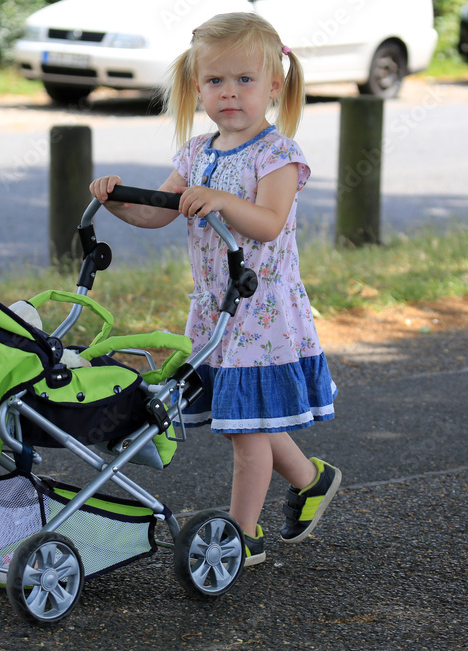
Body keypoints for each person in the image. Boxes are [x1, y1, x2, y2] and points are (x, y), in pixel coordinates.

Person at [89, 12, 341, 566]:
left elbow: (269, 223)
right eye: (215, 81)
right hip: (215, 310)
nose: (230, 92)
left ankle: (242, 535)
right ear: (197, 87)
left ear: (274, 85)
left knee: (246, 430)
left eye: (245, 80)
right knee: (240, 419)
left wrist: (223, 200)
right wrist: (117, 200)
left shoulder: (277, 154)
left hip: (260, 311)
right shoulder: (197, 153)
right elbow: (157, 214)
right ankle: (309, 478)